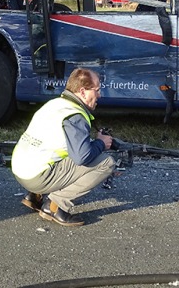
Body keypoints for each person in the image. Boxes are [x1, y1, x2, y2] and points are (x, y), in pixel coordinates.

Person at [11, 68, 116, 226]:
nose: (99, 95)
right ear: (83, 91)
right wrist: (101, 143)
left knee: (63, 151)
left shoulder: (56, 104)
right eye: (97, 90)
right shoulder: (76, 116)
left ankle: (34, 196)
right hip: (37, 177)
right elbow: (82, 157)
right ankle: (55, 205)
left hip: (21, 169)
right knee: (106, 163)